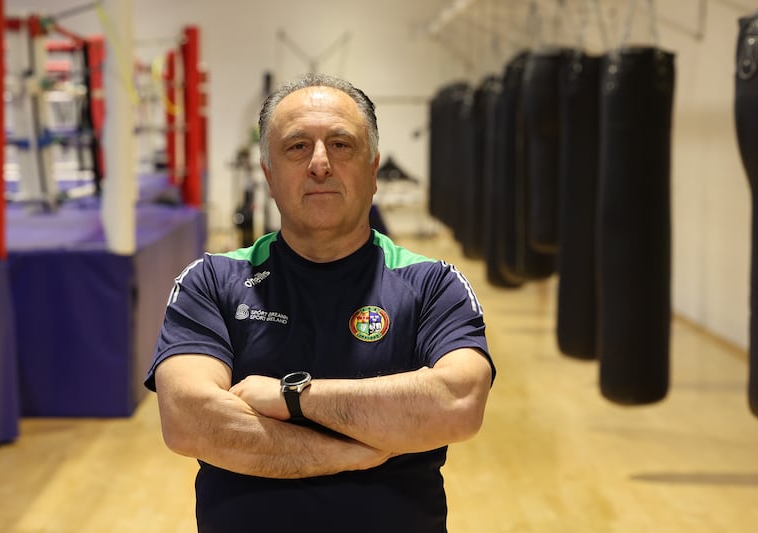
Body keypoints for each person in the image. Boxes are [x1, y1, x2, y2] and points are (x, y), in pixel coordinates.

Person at [145, 73, 495, 533]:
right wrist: (354, 451)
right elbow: (190, 421)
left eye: (341, 144)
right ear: (269, 176)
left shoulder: (433, 285)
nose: (320, 164)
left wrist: (289, 397)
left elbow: (458, 403)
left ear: (373, 171)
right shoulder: (211, 281)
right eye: (297, 147)